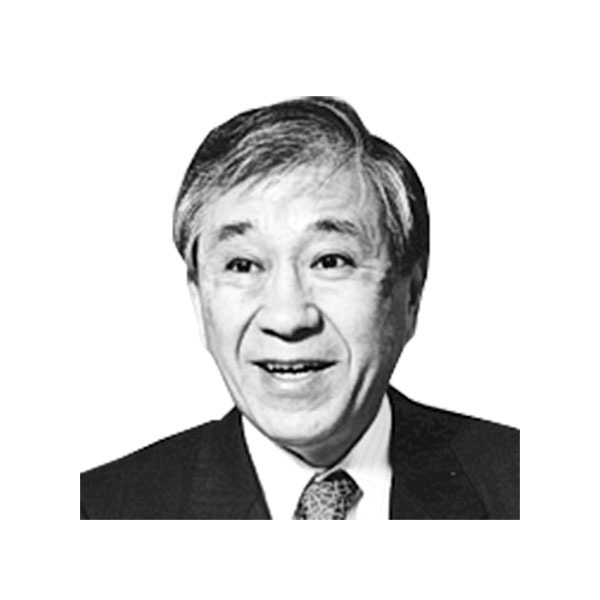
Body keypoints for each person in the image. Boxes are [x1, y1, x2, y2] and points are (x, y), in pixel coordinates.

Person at [80, 96, 519, 519]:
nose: (288, 318)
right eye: (242, 265)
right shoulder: (97, 511)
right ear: (199, 298)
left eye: (331, 261)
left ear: (411, 295)